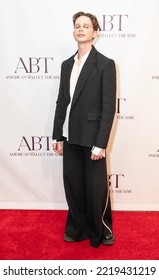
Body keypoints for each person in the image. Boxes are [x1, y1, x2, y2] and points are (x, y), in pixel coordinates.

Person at [52, 11, 116, 248]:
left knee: (96, 188)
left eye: (86, 26)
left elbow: (108, 108)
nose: (81, 29)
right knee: (74, 185)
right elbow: (62, 101)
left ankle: (103, 228)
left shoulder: (105, 64)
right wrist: (57, 134)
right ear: (73, 32)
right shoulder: (66, 64)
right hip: (70, 135)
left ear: (95, 33)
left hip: (92, 138)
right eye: (77, 26)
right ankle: (78, 228)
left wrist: (101, 143)